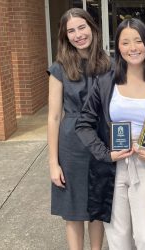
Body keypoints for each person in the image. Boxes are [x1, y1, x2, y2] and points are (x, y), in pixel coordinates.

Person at [75, 18, 145, 250]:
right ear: (118, 48)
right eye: (125, 42)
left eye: (139, 41)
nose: (133, 48)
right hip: (113, 165)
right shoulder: (105, 84)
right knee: (118, 238)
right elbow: (84, 123)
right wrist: (105, 154)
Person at [47, 8, 110, 250]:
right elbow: (53, 117)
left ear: (92, 28)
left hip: (101, 140)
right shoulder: (59, 68)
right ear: (65, 36)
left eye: (81, 27)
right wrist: (53, 163)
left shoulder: (110, 64)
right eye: (70, 31)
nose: (78, 34)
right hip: (72, 144)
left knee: (97, 205)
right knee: (73, 209)